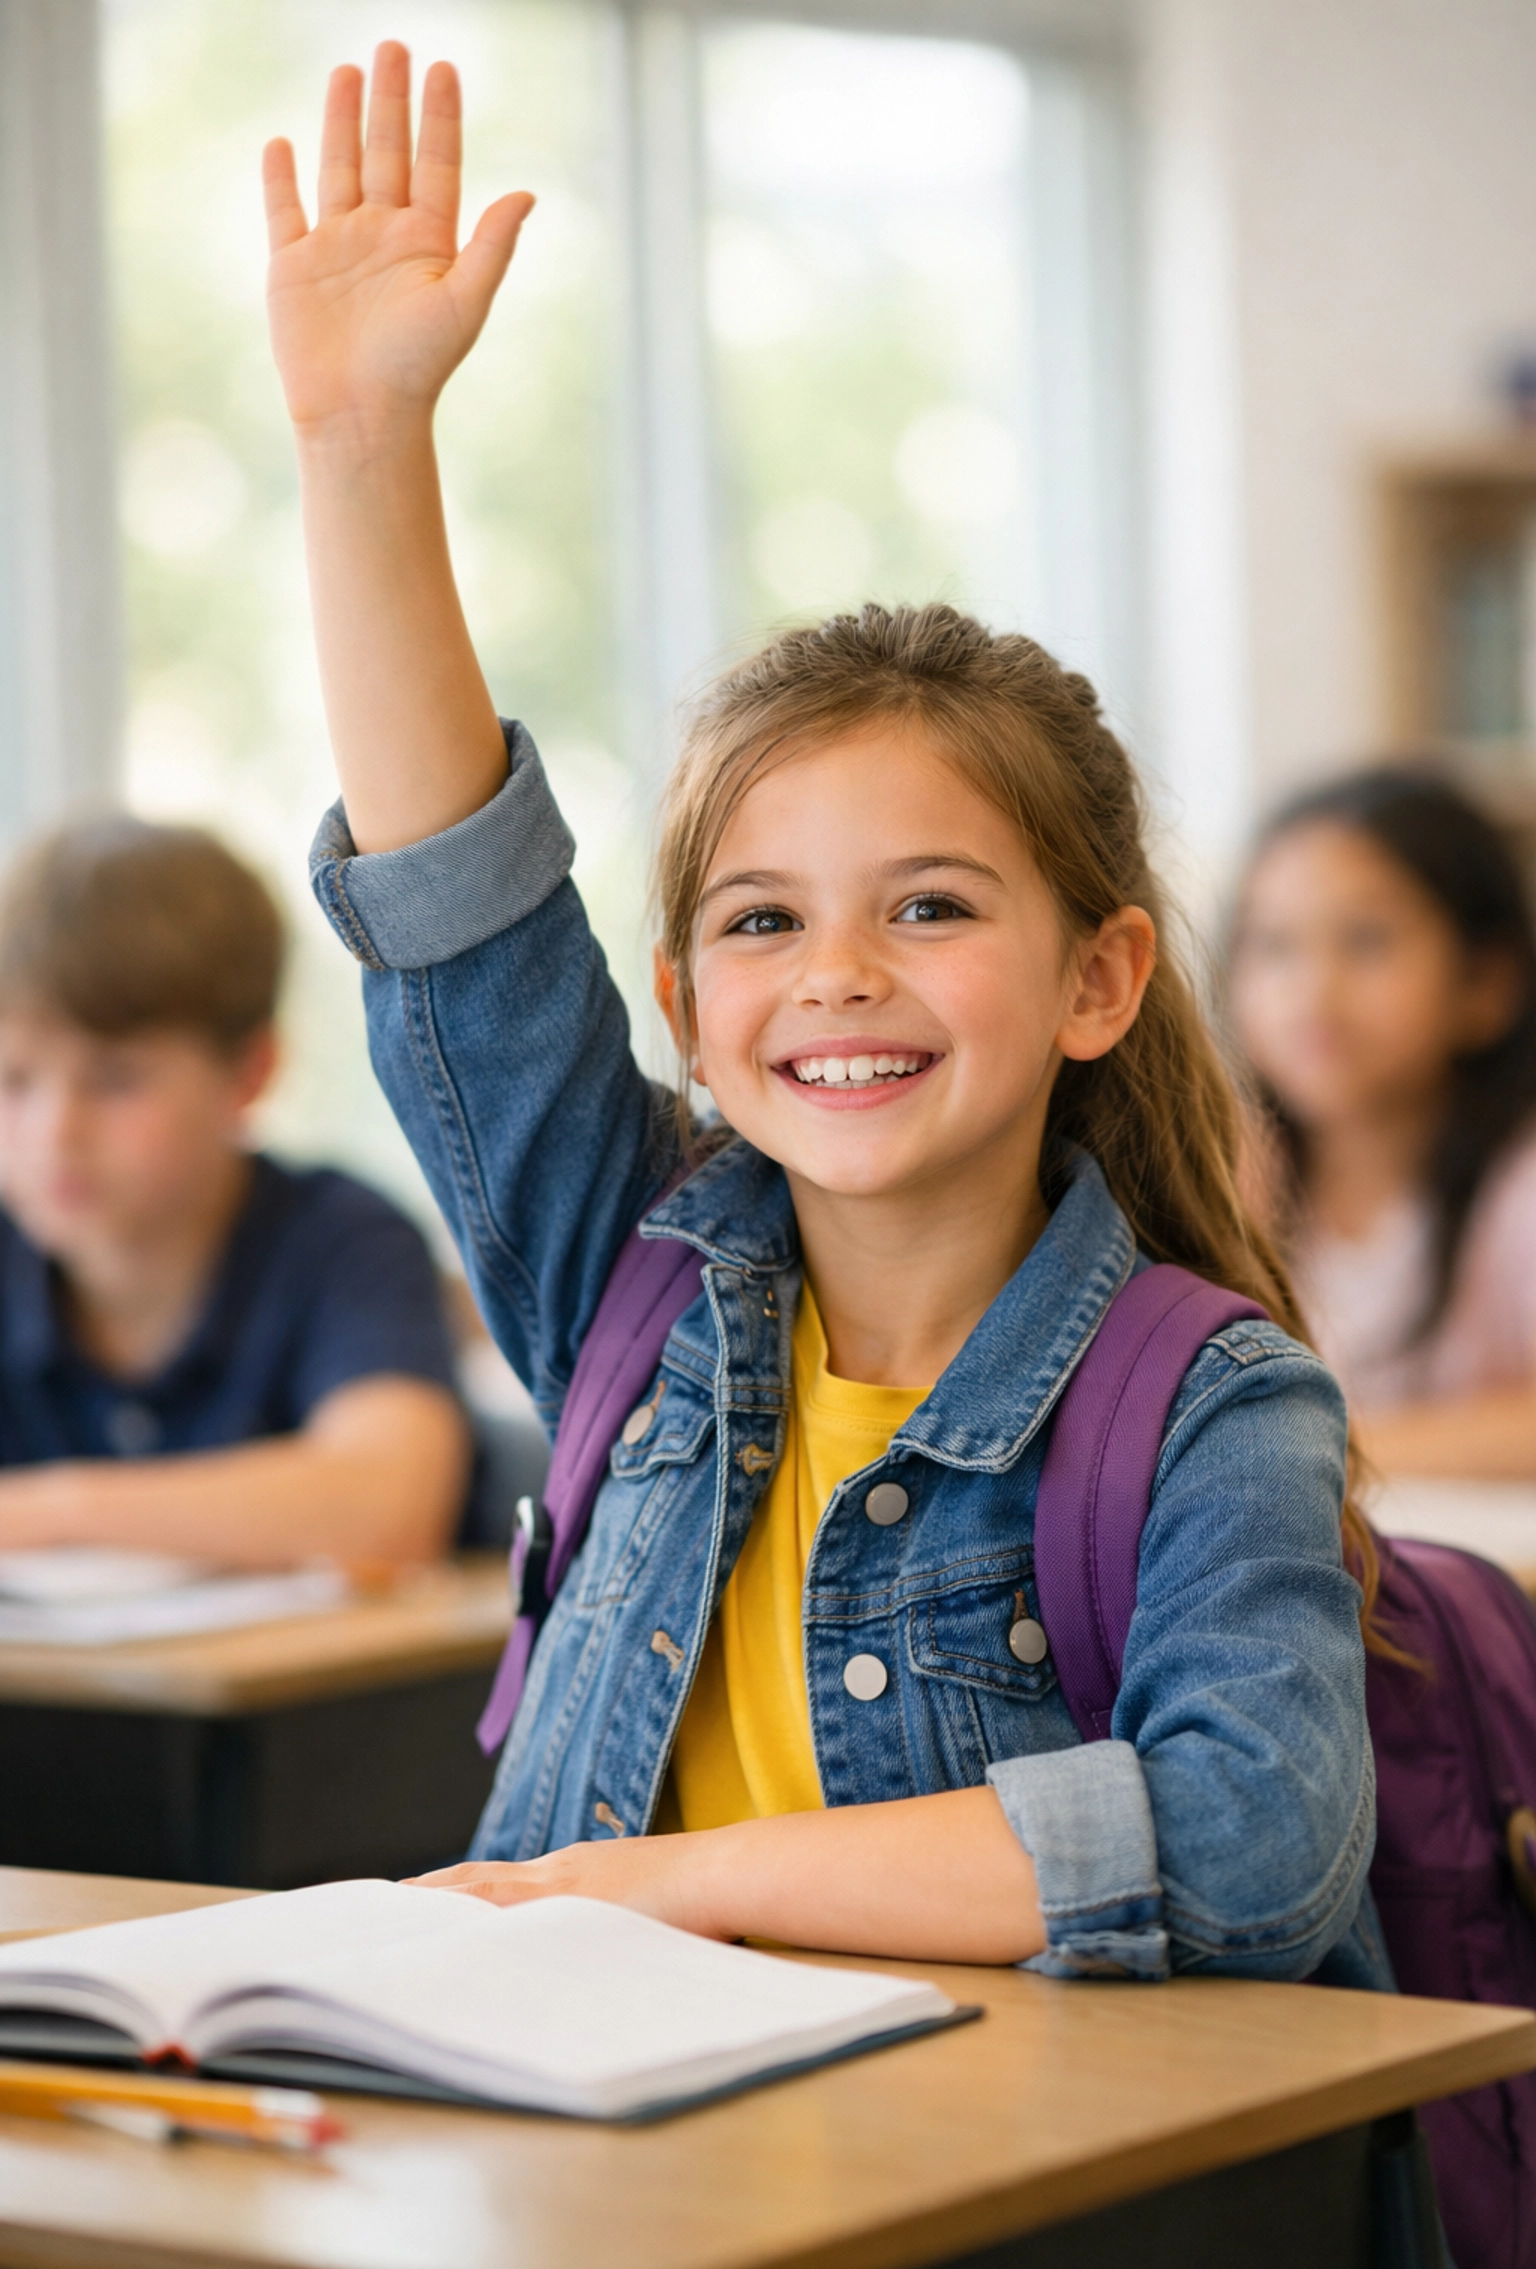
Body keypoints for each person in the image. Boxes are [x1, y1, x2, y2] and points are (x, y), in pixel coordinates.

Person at [265, 43, 1382, 1982]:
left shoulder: (1215, 1407)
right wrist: (366, 447)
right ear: (692, 1009)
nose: (840, 974)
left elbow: (1252, 1834)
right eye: (765, 920)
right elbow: (461, 920)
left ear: (1099, 977)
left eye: (931, 907)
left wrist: (654, 1887)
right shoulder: (638, 1284)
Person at [0, 815, 470, 1567]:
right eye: (14, 1080)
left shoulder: (346, 1240)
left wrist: (57, 1511)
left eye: (116, 1080)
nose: (55, 1134)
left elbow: (387, 1506)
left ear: (249, 1074)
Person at [1228, 766, 1536, 1481]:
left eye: (1366, 940)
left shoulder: (1518, 1187)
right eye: (1274, 945)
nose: (1314, 992)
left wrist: (1312, 1445)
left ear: (1485, 984)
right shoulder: (1229, 1180)